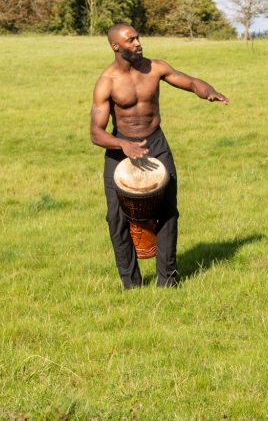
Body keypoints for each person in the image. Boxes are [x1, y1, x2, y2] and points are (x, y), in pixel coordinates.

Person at [89, 23, 229, 288]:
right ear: (115, 46)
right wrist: (122, 145)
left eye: (138, 37)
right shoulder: (107, 82)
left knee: (168, 211)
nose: (138, 43)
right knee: (116, 218)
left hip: (156, 144)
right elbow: (96, 133)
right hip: (121, 149)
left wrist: (207, 91)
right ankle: (131, 284)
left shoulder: (156, 67)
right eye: (131, 40)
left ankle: (168, 281)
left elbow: (189, 81)